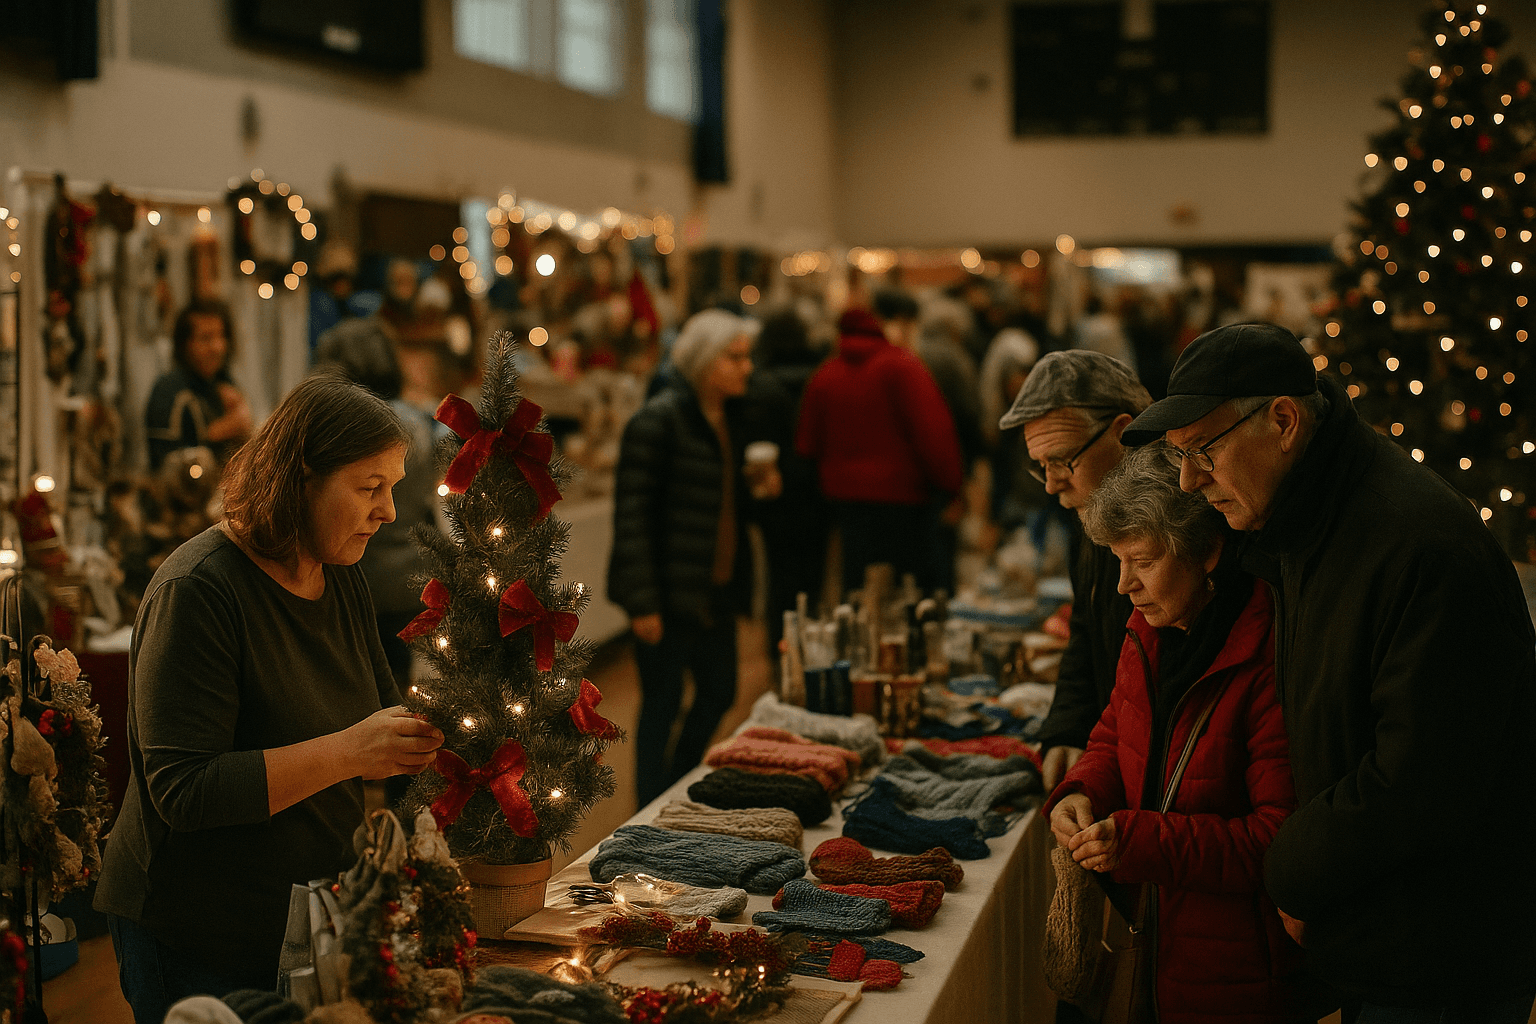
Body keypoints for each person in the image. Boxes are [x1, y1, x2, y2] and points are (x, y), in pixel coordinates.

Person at [1120, 322, 1536, 1022]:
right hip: (1385, 929)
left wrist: (1294, 873)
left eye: (1203, 451)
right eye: (1179, 457)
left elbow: (1419, 778)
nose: (1191, 481)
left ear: (1282, 421)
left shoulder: (1414, 543)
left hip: (1443, 951)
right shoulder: (1308, 525)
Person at [96, 375, 445, 1024]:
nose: (390, 512)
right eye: (370, 488)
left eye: (393, 487)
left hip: (297, 913)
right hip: (196, 927)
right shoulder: (199, 592)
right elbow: (185, 792)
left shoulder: (338, 576)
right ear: (300, 481)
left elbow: (381, 717)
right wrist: (349, 753)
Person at [1046, 445, 1310, 1023]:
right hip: (1162, 948)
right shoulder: (1149, 624)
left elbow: (1277, 840)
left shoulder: (1268, 650)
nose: (1124, 586)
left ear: (1205, 551)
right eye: (1118, 561)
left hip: (1238, 975)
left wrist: (1140, 842)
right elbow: (1115, 734)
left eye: (1141, 561)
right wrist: (1080, 791)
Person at [608, 309, 778, 807]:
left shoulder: (732, 419)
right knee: (660, 706)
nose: (747, 368)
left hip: (715, 590)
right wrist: (642, 602)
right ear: (704, 362)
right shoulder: (658, 421)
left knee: (720, 692)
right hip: (668, 591)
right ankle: (646, 812)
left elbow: (722, 505)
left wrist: (759, 491)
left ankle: (674, 788)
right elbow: (632, 515)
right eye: (735, 357)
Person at [997, 351, 1151, 793]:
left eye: (1063, 461)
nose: (1050, 484)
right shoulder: (1095, 506)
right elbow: (1085, 626)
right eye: (1041, 465)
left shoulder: (1174, 530)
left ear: (1124, 433)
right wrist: (1067, 726)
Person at [796, 307, 964, 593]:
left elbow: (806, 444)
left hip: (846, 502)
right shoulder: (902, 366)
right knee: (908, 590)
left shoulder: (825, 375)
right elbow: (933, 432)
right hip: (905, 501)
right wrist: (952, 487)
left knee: (859, 589)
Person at [145, 299, 252, 470]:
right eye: (206, 338)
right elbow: (166, 467)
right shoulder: (169, 391)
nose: (217, 347)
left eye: (221, 336)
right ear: (184, 344)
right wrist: (215, 432)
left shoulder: (224, 384)